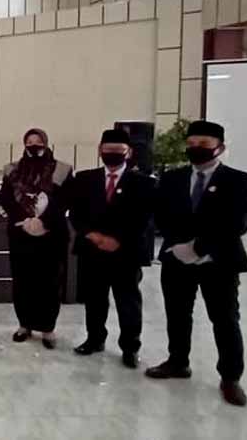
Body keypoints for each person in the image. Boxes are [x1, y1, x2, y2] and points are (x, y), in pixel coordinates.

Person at [146, 120, 247, 407]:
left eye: (204, 145)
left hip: (218, 261)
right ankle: (178, 361)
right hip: (177, 259)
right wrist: (178, 246)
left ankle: (230, 377)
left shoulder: (240, 181)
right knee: (177, 314)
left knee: (224, 319)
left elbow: (237, 223)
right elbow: (161, 215)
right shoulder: (172, 178)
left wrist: (197, 248)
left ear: (220, 147)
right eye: (192, 144)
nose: (196, 149)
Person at [69, 128, 155, 369]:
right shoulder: (84, 179)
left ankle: (130, 347)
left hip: (125, 252)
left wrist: (118, 240)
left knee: (128, 302)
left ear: (129, 152)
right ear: (99, 150)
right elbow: (76, 214)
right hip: (92, 249)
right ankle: (95, 339)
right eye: (108, 150)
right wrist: (94, 236)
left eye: (118, 150)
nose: (112, 154)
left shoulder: (144, 183)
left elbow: (144, 218)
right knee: (94, 299)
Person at [0, 128, 73, 349]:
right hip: (21, 233)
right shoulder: (12, 169)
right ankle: (25, 324)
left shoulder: (62, 169)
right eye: (29, 141)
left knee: (50, 281)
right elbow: (6, 199)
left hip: (51, 234)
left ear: (46, 143)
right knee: (23, 280)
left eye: (38, 141)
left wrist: (43, 222)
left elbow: (65, 200)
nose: (33, 145)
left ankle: (48, 328)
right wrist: (25, 220)